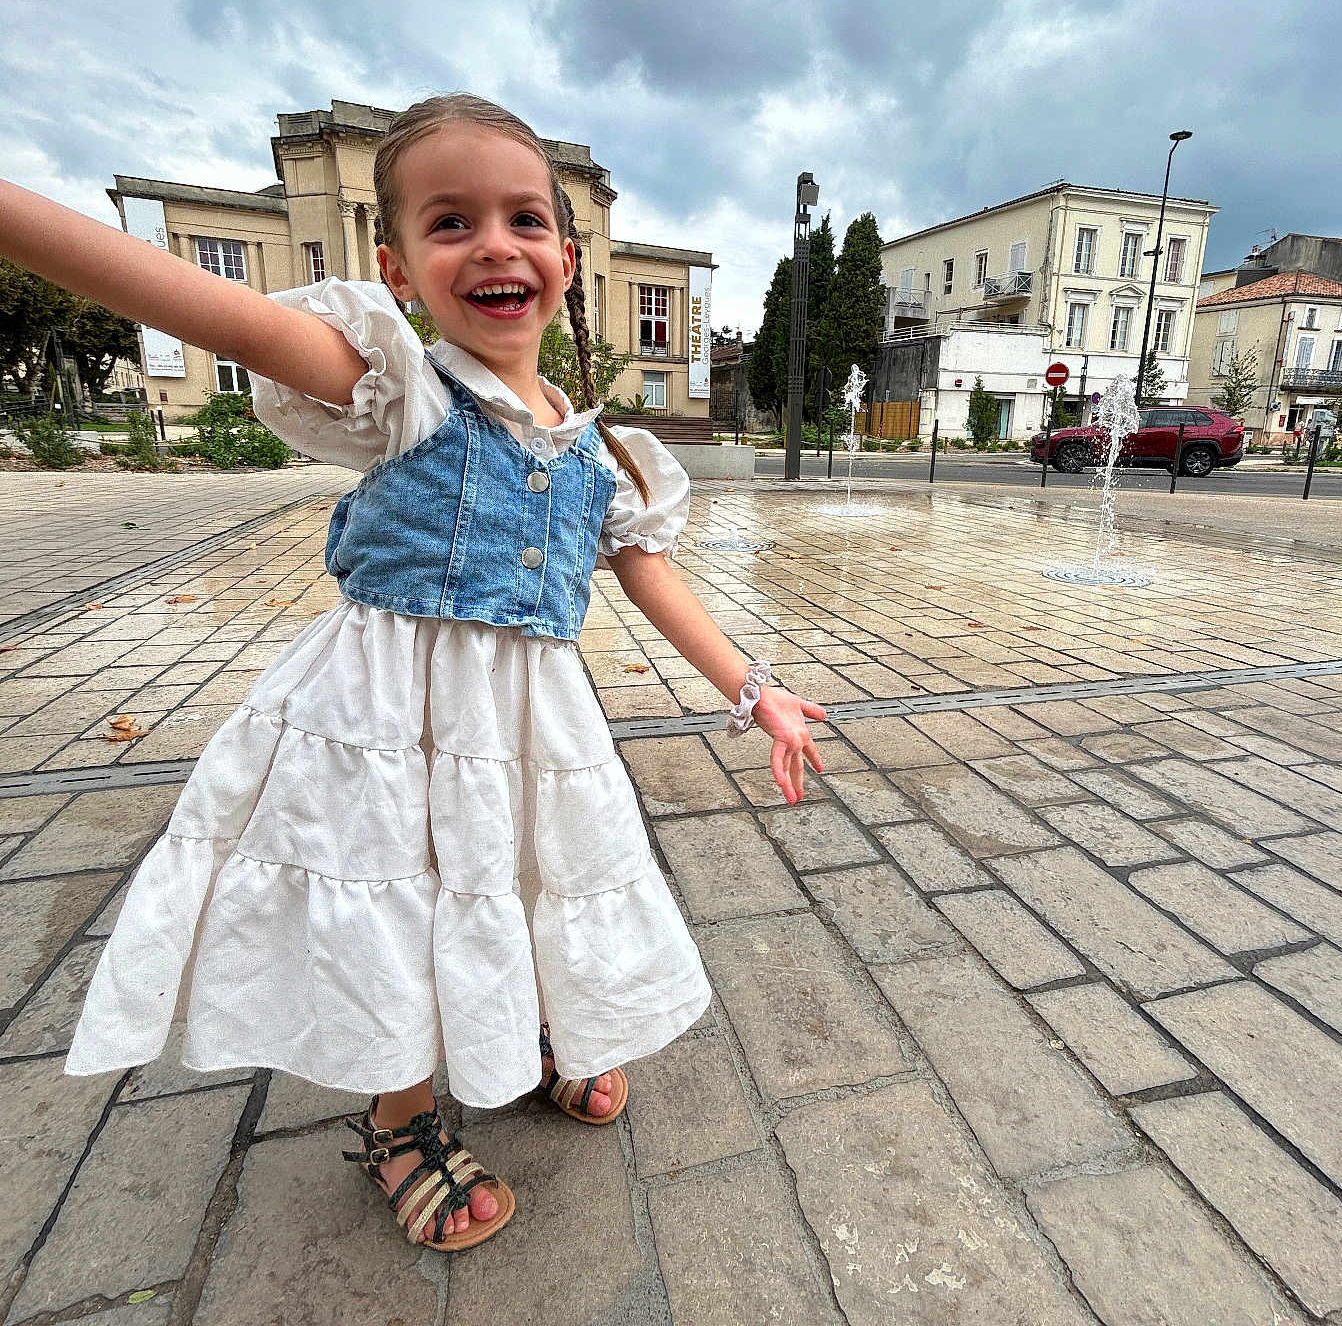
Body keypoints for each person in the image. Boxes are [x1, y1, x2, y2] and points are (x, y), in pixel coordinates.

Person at [0, 94, 826, 1252]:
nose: (494, 243)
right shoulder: (394, 387)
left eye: (524, 218)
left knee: (530, 868)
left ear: (569, 260)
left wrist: (754, 688)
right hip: (385, 719)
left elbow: (651, 578)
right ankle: (399, 1119)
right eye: (451, 223)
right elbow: (182, 296)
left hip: (530, 719)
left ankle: (533, 1032)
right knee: (404, 899)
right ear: (395, 265)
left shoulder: (606, 450)